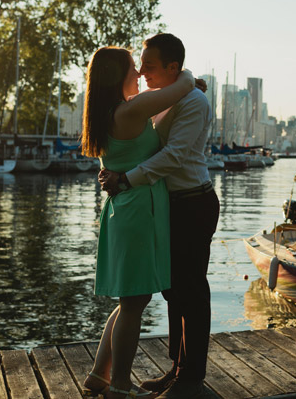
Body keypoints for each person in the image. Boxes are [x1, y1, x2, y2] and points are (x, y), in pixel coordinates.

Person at [99, 33, 219, 399]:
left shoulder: (193, 102)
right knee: (172, 290)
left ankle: (191, 375)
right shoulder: (159, 98)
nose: (143, 71)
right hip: (168, 204)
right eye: (141, 66)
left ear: (171, 67)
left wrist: (125, 179)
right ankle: (176, 368)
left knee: (192, 289)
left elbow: (175, 156)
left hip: (193, 202)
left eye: (149, 65)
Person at [80, 45, 195, 399]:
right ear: (118, 76)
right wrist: (190, 76)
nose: (140, 73)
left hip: (124, 209)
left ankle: (100, 374)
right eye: (133, 67)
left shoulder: (106, 113)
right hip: (136, 210)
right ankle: (120, 385)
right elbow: (183, 86)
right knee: (134, 301)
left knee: (129, 300)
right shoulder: (130, 110)